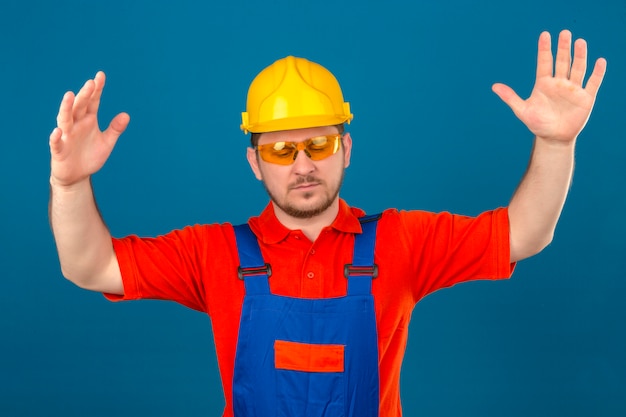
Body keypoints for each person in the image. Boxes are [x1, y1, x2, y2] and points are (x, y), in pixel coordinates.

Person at [49, 30, 606, 416]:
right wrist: (70, 184)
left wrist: (556, 143)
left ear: (346, 150)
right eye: (282, 151)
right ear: (254, 164)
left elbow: (525, 233)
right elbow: (88, 265)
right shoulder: (212, 253)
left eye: (318, 143)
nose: (304, 164)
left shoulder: (402, 241)